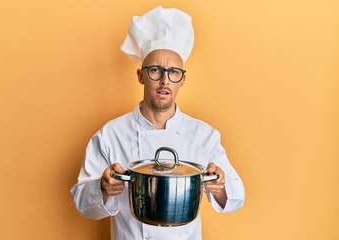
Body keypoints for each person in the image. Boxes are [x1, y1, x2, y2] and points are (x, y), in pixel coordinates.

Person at [70, 6, 245, 240]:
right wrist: (102, 188)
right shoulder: (110, 134)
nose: (164, 81)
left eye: (173, 72)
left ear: (181, 80)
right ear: (141, 76)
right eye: (155, 70)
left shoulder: (204, 135)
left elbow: (237, 196)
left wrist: (220, 186)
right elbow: (81, 201)